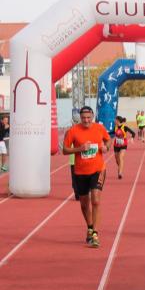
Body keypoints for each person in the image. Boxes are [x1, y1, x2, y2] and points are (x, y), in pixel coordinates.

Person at [63, 106, 111, 248]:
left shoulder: (99, 128)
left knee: (95, 200)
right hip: (80, 172)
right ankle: (90, 227)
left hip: (98, 169)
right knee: (84, 204)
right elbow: (65, 150)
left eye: (89, 118)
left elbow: (108, 140)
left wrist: (106, 147)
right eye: (83, 118)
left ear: (93, 116)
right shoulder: (73, 131)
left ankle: (95, 233)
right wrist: (79, 149)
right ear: (80, 117)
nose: (86, 120)